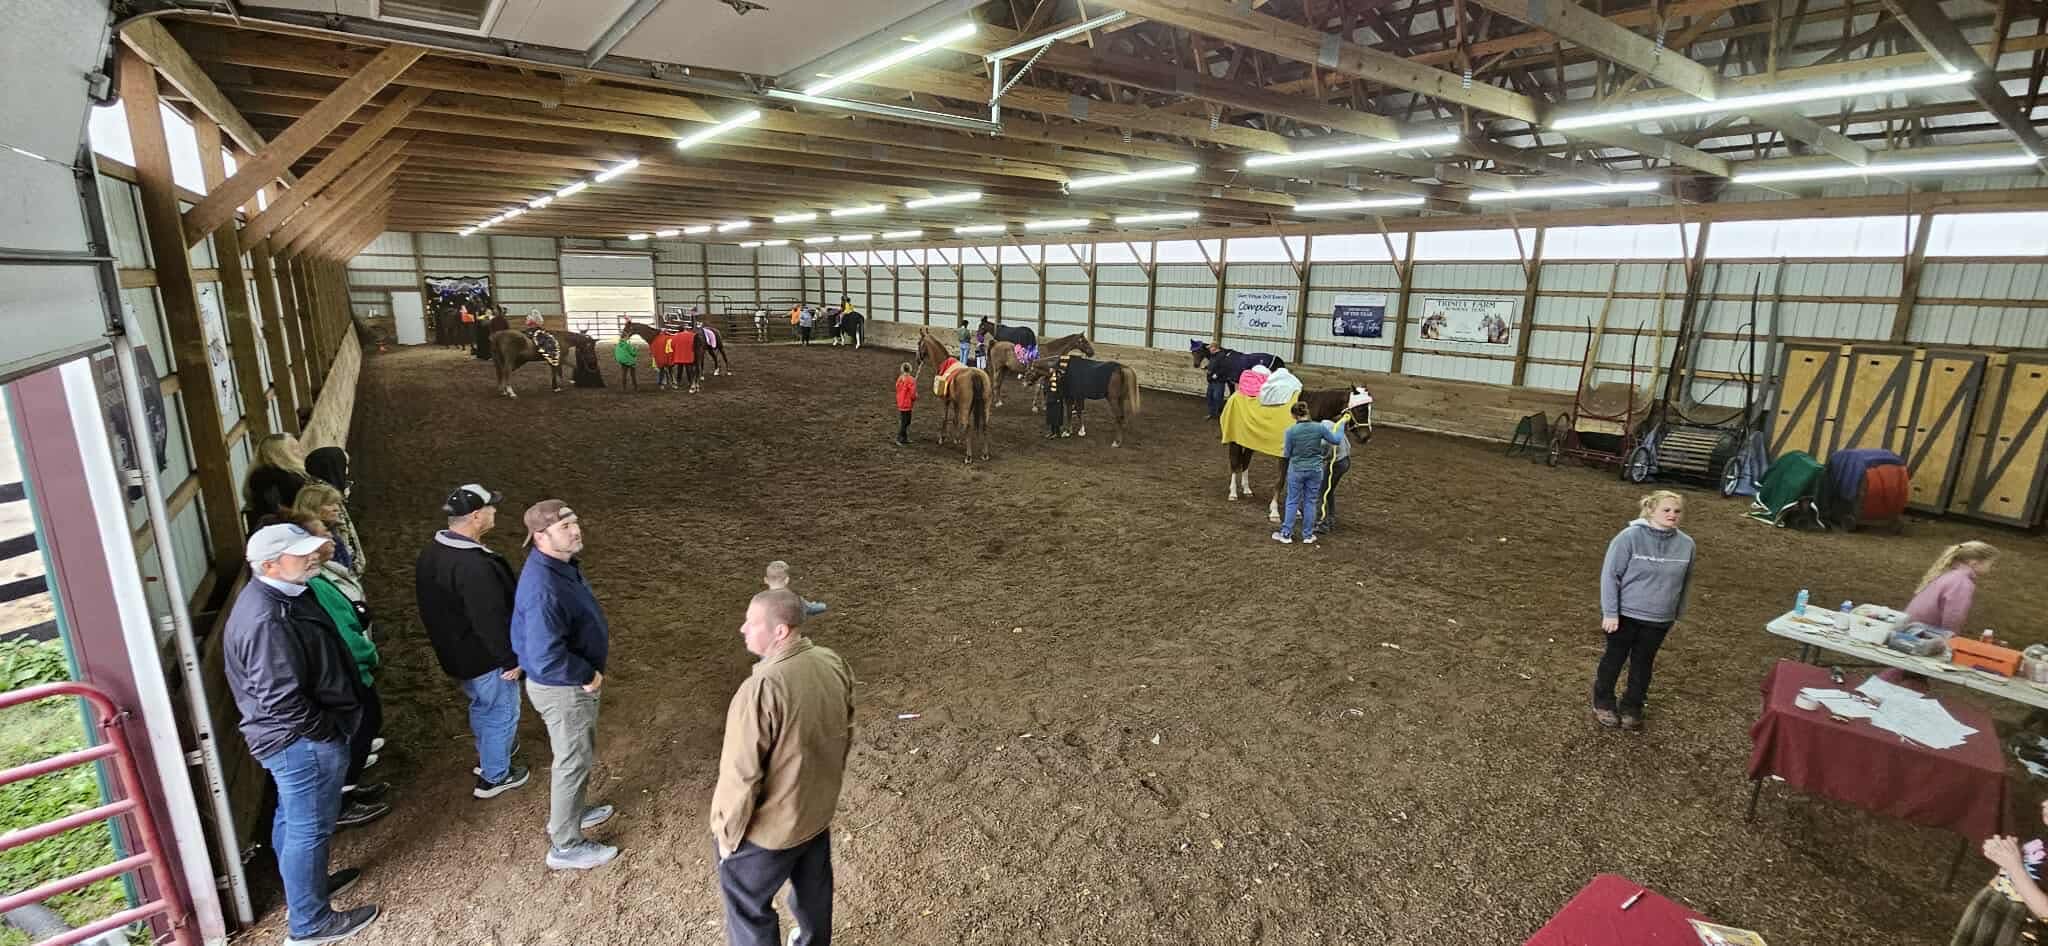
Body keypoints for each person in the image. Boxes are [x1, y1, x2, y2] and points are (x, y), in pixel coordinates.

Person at [223, 523, 380, 944]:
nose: (312, 557)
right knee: (309, 827)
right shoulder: (268, 619)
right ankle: (310, 923)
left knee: (292, 818)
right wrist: (327, 732)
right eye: (300, 553)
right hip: (301, 742)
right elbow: (281, 700)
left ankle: (304, 890)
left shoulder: (284, 595)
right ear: (270, 565)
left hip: (294, 739)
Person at [710, 590, 855, 946]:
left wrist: (727, 836)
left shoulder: (760, 688)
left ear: (780, 631)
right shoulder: (831, 662)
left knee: (747, 908)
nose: (743, 628)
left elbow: (741, 775)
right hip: (815, 814)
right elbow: (846, 730)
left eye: (752, 622)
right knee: (814, 893)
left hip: (771, 832)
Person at [510, 499, 618, 870]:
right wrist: (586, 674)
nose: (575, 530)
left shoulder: (558, 566)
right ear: (541, 536)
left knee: (577, 754)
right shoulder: (545, 587)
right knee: (572, 760)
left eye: (574, 522)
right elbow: (545, 655)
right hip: (564, 688)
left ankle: (573, 812)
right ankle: (566, 845)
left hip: (564, 685)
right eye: (565, 527)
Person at [415, 484, 529, 799]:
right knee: (502, 711)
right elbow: (490, 619)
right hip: (485, 657)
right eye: (491, 508)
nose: (495, 512)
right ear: (477, 516)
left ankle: (488, 757)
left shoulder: (432, 552)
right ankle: (495, 775)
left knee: (482, 704)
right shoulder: (474, 566)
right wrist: (510, 658)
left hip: (456, 653)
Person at [286, 515, 389, 824]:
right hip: (349, 670)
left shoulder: (319, 579)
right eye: (322, 536)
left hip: (349, 667)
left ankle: (348, 788)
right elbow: (341, 630)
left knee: (365, 726)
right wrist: (367, 654)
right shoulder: (312, 587)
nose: (330, 539)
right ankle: (340, 800)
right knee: (360, 727)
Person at [1592, 490, 1696, 732]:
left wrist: (1677, 612)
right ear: (1651, 510)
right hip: (1625, 615)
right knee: (1614, 659)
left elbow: (1686, 580)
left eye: (1677, 511)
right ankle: (1603, 702)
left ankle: (1632, 706)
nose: (1672, 515)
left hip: (1660, 618)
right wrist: (1610, 612)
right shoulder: (1628, 537)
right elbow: (1610, 575)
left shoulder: (1687, 544)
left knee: (1643, 663)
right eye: (1666, 510)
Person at [1951, 799, 2048, 945]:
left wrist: (2014, 866)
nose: (2044, 803)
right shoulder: (2042, 840)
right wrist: (2003, 859)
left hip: (2019, 928)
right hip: (1991, 909)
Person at [1273, 402, 1343, 545]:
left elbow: (1286, 454)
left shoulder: (1290, 431)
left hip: (1297, 469)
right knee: (1310, 501)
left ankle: (1286, 534)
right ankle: (1308, 535)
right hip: (1315, 470)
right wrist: (1341, 425)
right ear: (1307, 413)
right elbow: (1336, 440)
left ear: (1294, 416)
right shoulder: (1319, 428)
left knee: (1292, 501)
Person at [1907, 540, 1998, 633]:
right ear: (1974, 563)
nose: (1991, 567)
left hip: (1911, 627)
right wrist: (1951, 636)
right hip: (1920, 633)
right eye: (1990, 564)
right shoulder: (1962, 582)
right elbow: (1953, 616)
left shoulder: (1950, 574)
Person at [304, 447, 366, 578]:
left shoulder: (317, 489)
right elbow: (343, 534)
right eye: (345, 465)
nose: (347, 471)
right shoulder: (321, 495)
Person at [1315, 396, 1368, 537]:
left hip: (1337, 463)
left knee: (1322, 491)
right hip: (1345, 459)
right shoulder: (1327, 423)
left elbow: (1323, 457)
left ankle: (1323, 523)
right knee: (1329, 490)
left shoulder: (1322, 440)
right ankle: (1331, 518)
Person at [245, 433, 310, 534]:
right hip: (291, 529)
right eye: (295, 448)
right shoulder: (276, 477)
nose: (301, 452)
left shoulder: (257, 475)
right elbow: (276, 507)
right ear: (281, 453)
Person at [293, 483, 356, 574]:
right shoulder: (302, 536)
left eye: (337, 504)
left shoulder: (335, 533)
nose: (336, 508)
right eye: (329, 504)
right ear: (312, 506)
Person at [763, 561, 828, 618]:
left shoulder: (761, 600)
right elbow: (818, 608)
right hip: (789, 623)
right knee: (818, 606)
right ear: (787, 580)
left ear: (766, 580)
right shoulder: (793, 598)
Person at [893, 362, 917, 446]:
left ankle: (904, 438)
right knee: (906, 422)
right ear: (910, 369)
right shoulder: (911, 380)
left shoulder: (900, 379)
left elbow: (897, 388)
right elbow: (913, 394)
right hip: (907, 404)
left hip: (901, 402)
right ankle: (898, 438)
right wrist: (915, 397)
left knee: (905, 421)